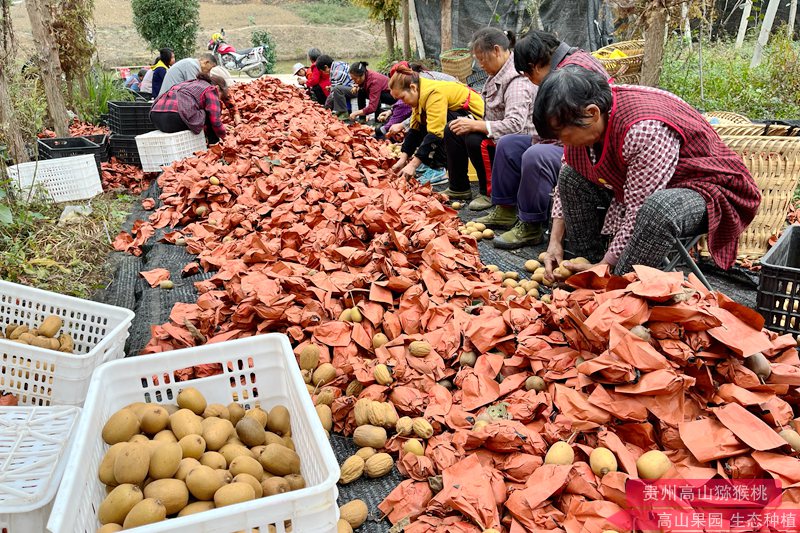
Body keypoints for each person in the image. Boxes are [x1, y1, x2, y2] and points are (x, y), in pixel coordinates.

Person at [533, 66, 761, 281]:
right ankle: (584, 268)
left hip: (710, 186)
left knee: (659, 209)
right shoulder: (585, 119)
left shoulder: (643, 129)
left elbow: (638, 210)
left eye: (563, 136)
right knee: (572, 176)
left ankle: (618, 288)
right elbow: (568, 172)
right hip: (644, 183)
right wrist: (555, 242)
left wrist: (606, 266)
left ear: (592, 114)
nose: (563, 143)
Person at [475, 30, 608, 249]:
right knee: (509, 144)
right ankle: (506, 209)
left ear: (535, 66)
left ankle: (530, 224)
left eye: (527, 76)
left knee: (537, 156)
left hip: (585, 148)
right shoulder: (558, 69)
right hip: (562, 139)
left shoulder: (574, 73)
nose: (529, 81)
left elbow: (579, 130)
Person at [443, 28, 536, 210]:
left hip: (519, 141)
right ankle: (459, 187)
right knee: (453, 128)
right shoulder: (496, 75)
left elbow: (515, 125)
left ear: (496, 50)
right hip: (499, 136)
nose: (480, 65)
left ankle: (490, 193)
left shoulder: (517, 81)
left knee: (475, 138)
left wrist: (478, 125)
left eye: (482, 59)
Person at [389, 65, 485, 186]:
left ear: (413, 88)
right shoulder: (420, 93)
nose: (403, 103)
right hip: (459, 118)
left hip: (476, 120)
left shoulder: (433, 93)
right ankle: (458, 187)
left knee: (438, 129)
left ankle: (438, 169)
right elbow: (414, 130)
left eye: (402, 98)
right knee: (423, 124)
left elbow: (436, 133)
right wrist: (403, 159)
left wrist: (413, 165)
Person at [150, 73, 235, 145]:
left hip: (156, 118)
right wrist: (224, 136)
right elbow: (214, 120)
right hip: (175, 118)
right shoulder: (211, 89)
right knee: (209, 113)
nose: (218, 100)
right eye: (220, 97)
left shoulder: (189, 83)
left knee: (201, 110)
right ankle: (214, 146)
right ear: (218, 88)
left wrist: (235, 114)